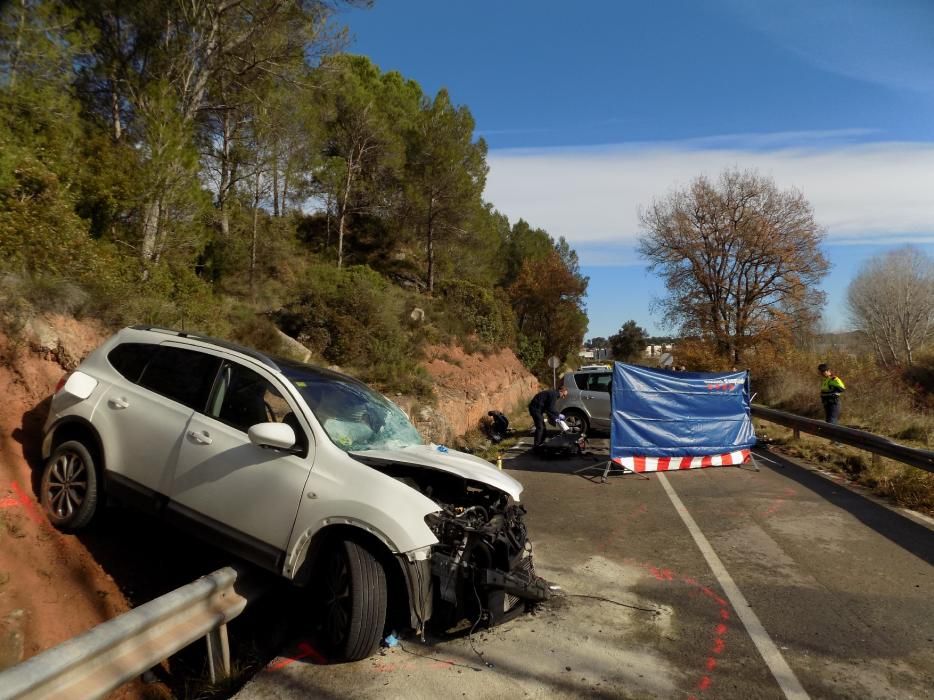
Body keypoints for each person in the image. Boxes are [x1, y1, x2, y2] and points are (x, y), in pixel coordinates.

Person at [528, 385, 568, 451]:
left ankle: (541, 444)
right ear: (561, 391)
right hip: (535, 409)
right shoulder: (554, 395)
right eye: (564, 395)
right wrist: (558, 415)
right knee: (540, 427)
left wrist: (555, 417)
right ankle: (536, 446)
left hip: (538, 409)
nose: (563, 397)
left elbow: (548, 408)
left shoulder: (553, 394)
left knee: (543, 427)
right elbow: (551, 408)